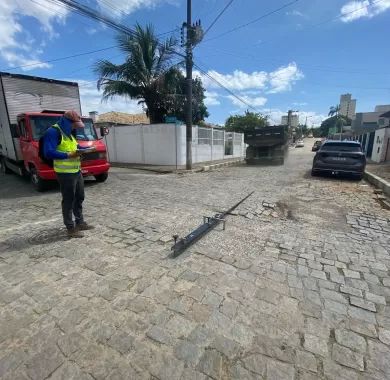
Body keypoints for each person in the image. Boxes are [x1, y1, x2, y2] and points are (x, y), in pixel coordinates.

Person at [44, 110, 95, 238]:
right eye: (74, 124)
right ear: (67, 122)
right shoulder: (53, 132)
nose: (75, 127)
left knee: (79, 197)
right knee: (68, 200)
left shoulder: (69, 134)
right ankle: (70, 228)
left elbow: (75, 147)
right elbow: (48, 152)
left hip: (76, 171)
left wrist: (87, 149)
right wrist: (68, 155)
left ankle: (80, 222)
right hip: (65, 173)